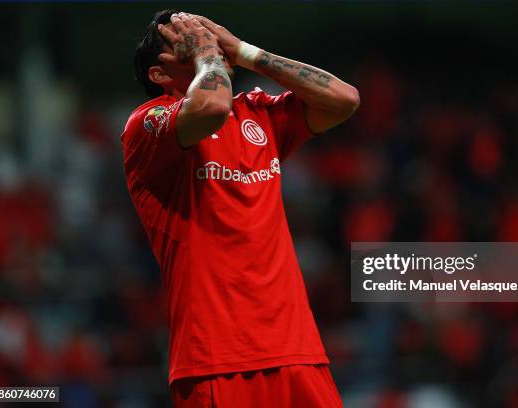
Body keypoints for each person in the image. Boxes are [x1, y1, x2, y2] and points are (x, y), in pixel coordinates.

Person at [121, 9, 359, 407]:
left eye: (209, 34)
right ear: (160, 75)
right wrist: (208, 55)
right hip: (216, 360)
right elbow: (211, 107)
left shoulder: (257, 114)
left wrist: (246, 52)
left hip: (295, 350)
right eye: (189, 41)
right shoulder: (147, 125)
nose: (208, 43)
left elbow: (344, 99)